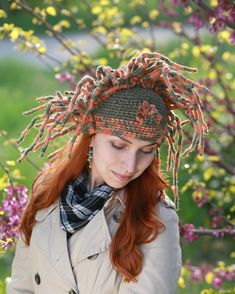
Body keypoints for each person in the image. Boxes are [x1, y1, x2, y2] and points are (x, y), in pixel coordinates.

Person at [7, 51, 210, 294]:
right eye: (118, 145)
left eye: (146, 150)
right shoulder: (47, 193)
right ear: (92, 136)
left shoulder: (155, 217)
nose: (130, 165)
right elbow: (22, 286)